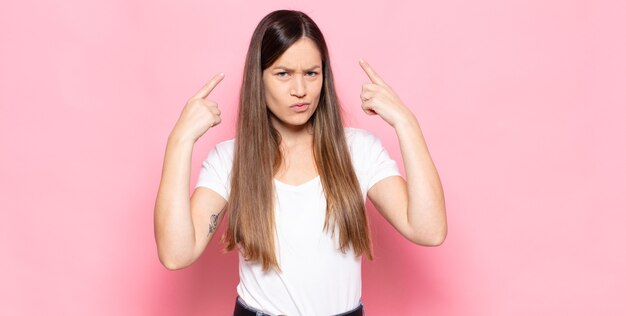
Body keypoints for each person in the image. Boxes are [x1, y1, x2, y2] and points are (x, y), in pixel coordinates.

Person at [154, 9, 447, 316]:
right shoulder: (230, 159)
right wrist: (180, 142)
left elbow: (429, 230)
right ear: (260, 78)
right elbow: (176, 254)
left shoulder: (358, 151)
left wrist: (406, 123)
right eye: (283, 74)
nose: (300, 90)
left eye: (311, 73)